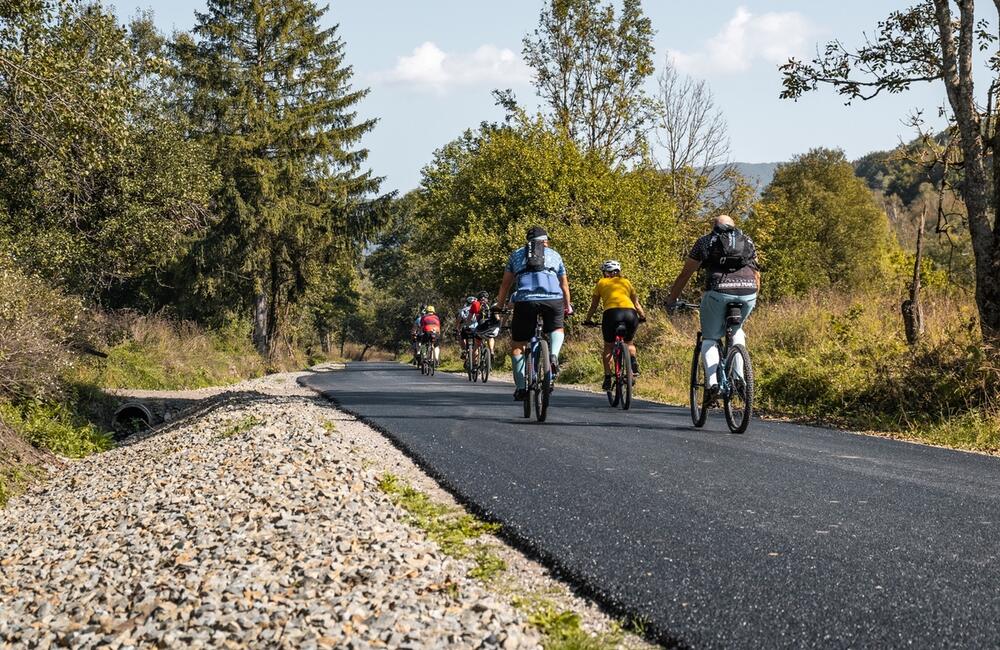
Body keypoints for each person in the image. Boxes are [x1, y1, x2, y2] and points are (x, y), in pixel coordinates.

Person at [665, 214, 760, 402]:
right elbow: (757, 274)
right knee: (737, 329)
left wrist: (672, 299)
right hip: (748, 292)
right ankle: (739, 379)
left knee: (710, 337)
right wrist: (752, 297)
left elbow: (685, 274)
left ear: (714, 227)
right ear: (734, 227)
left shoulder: (705, 242)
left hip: (718, 292)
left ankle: (713, 383)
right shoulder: (747, 240)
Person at [495, 226, 572, 401]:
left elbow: (505, 285)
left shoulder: (516, 255)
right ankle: (553, 355)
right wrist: (567, 306)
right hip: (553, 300)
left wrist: (500, 306)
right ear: (545, 241)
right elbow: (564, 286)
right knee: (557, 329)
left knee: (517, 345)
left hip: (525, 301)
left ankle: (521, 387)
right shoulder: (555, 255)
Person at [583, 260, 647, 391]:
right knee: (629, 342)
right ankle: (633, 361)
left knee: (608, 345)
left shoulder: (601, 282)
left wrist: (588, 319)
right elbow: (636, 303)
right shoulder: (626, 282)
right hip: (630, 314)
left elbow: (594, 305)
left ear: (606, 273)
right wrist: (642, 317)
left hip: (612, 314)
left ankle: (607, 378)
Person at [456, 296, 480, 361]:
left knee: (461, 336)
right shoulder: (478, 307)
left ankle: (464, 350)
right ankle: (476, 361)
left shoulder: (463, 309)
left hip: (466, 328)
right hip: (476, 328)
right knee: (477, 344)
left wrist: (457, 328)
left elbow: (459, 318)